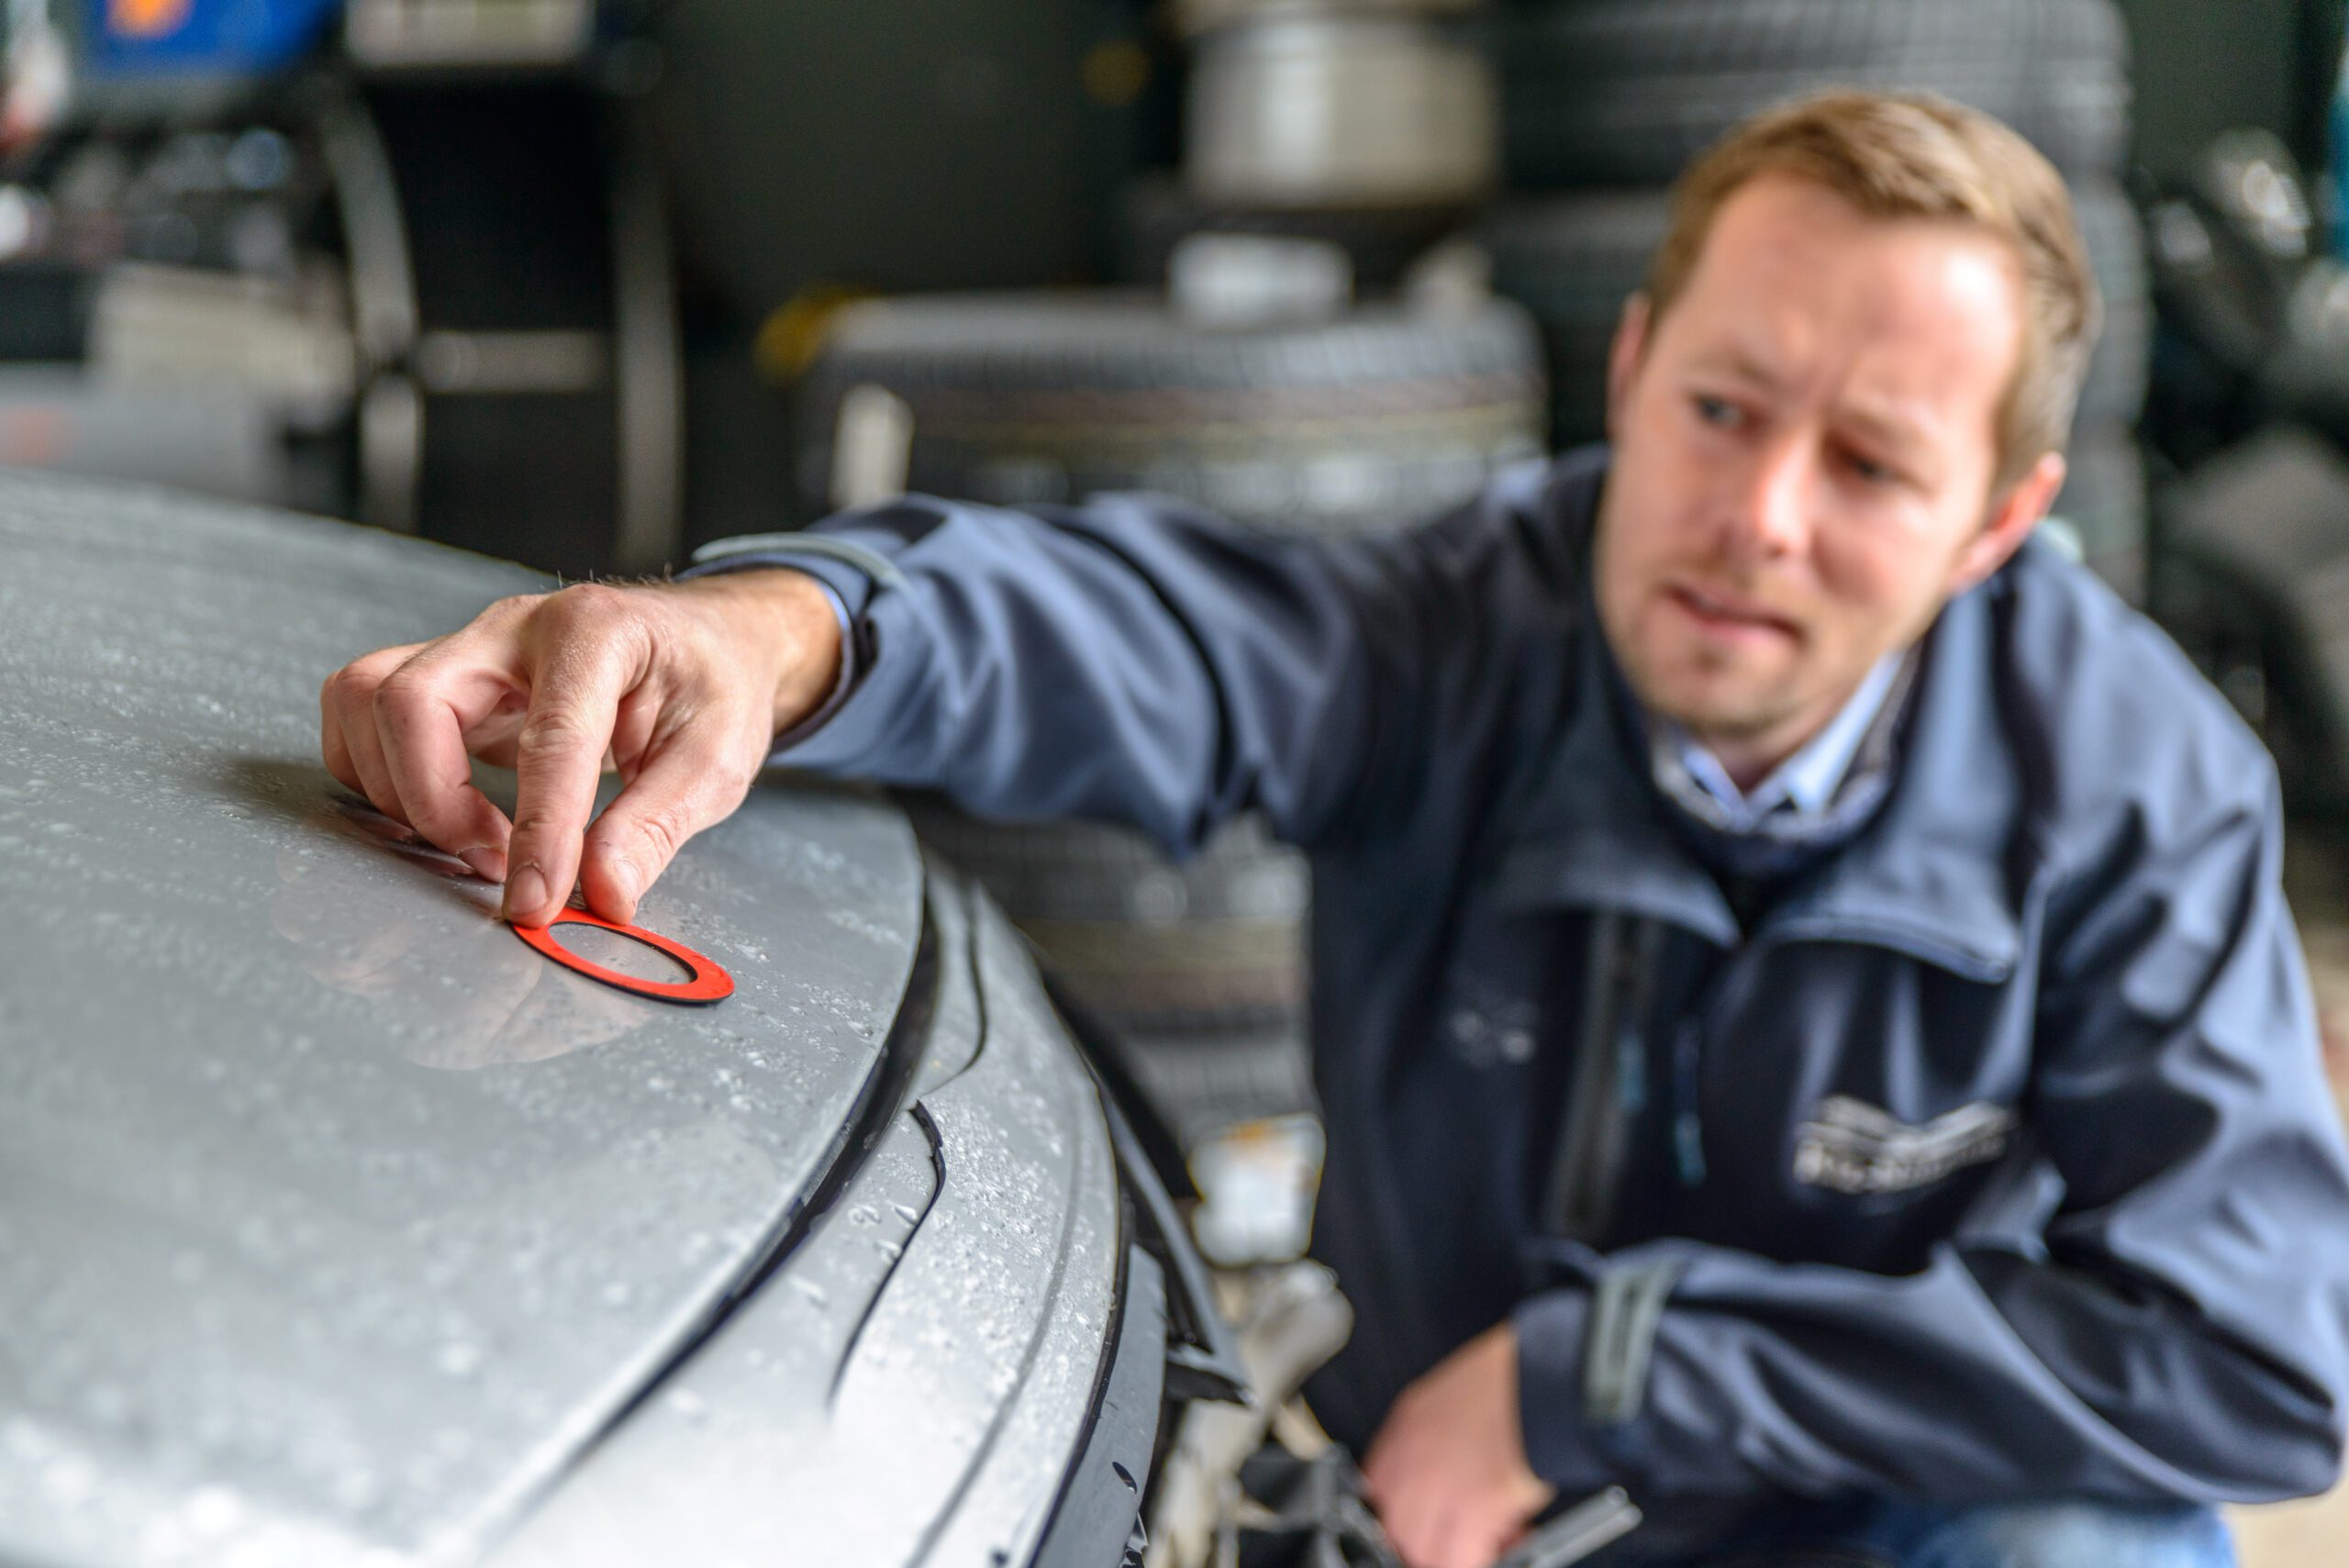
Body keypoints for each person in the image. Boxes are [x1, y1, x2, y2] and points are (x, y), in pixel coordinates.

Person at [319, 93, 2349, 1568]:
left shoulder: (2136, 790)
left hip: (1880, 1517)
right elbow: (1143, 627)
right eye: (1721, 407)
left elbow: (2251, 1358)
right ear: (1626, 372)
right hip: (1456, 1525)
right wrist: (776, 634)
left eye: (1871, 464)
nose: (1759, 519)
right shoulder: (1458, 628)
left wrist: (1598, 1374)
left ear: (2003, 524)